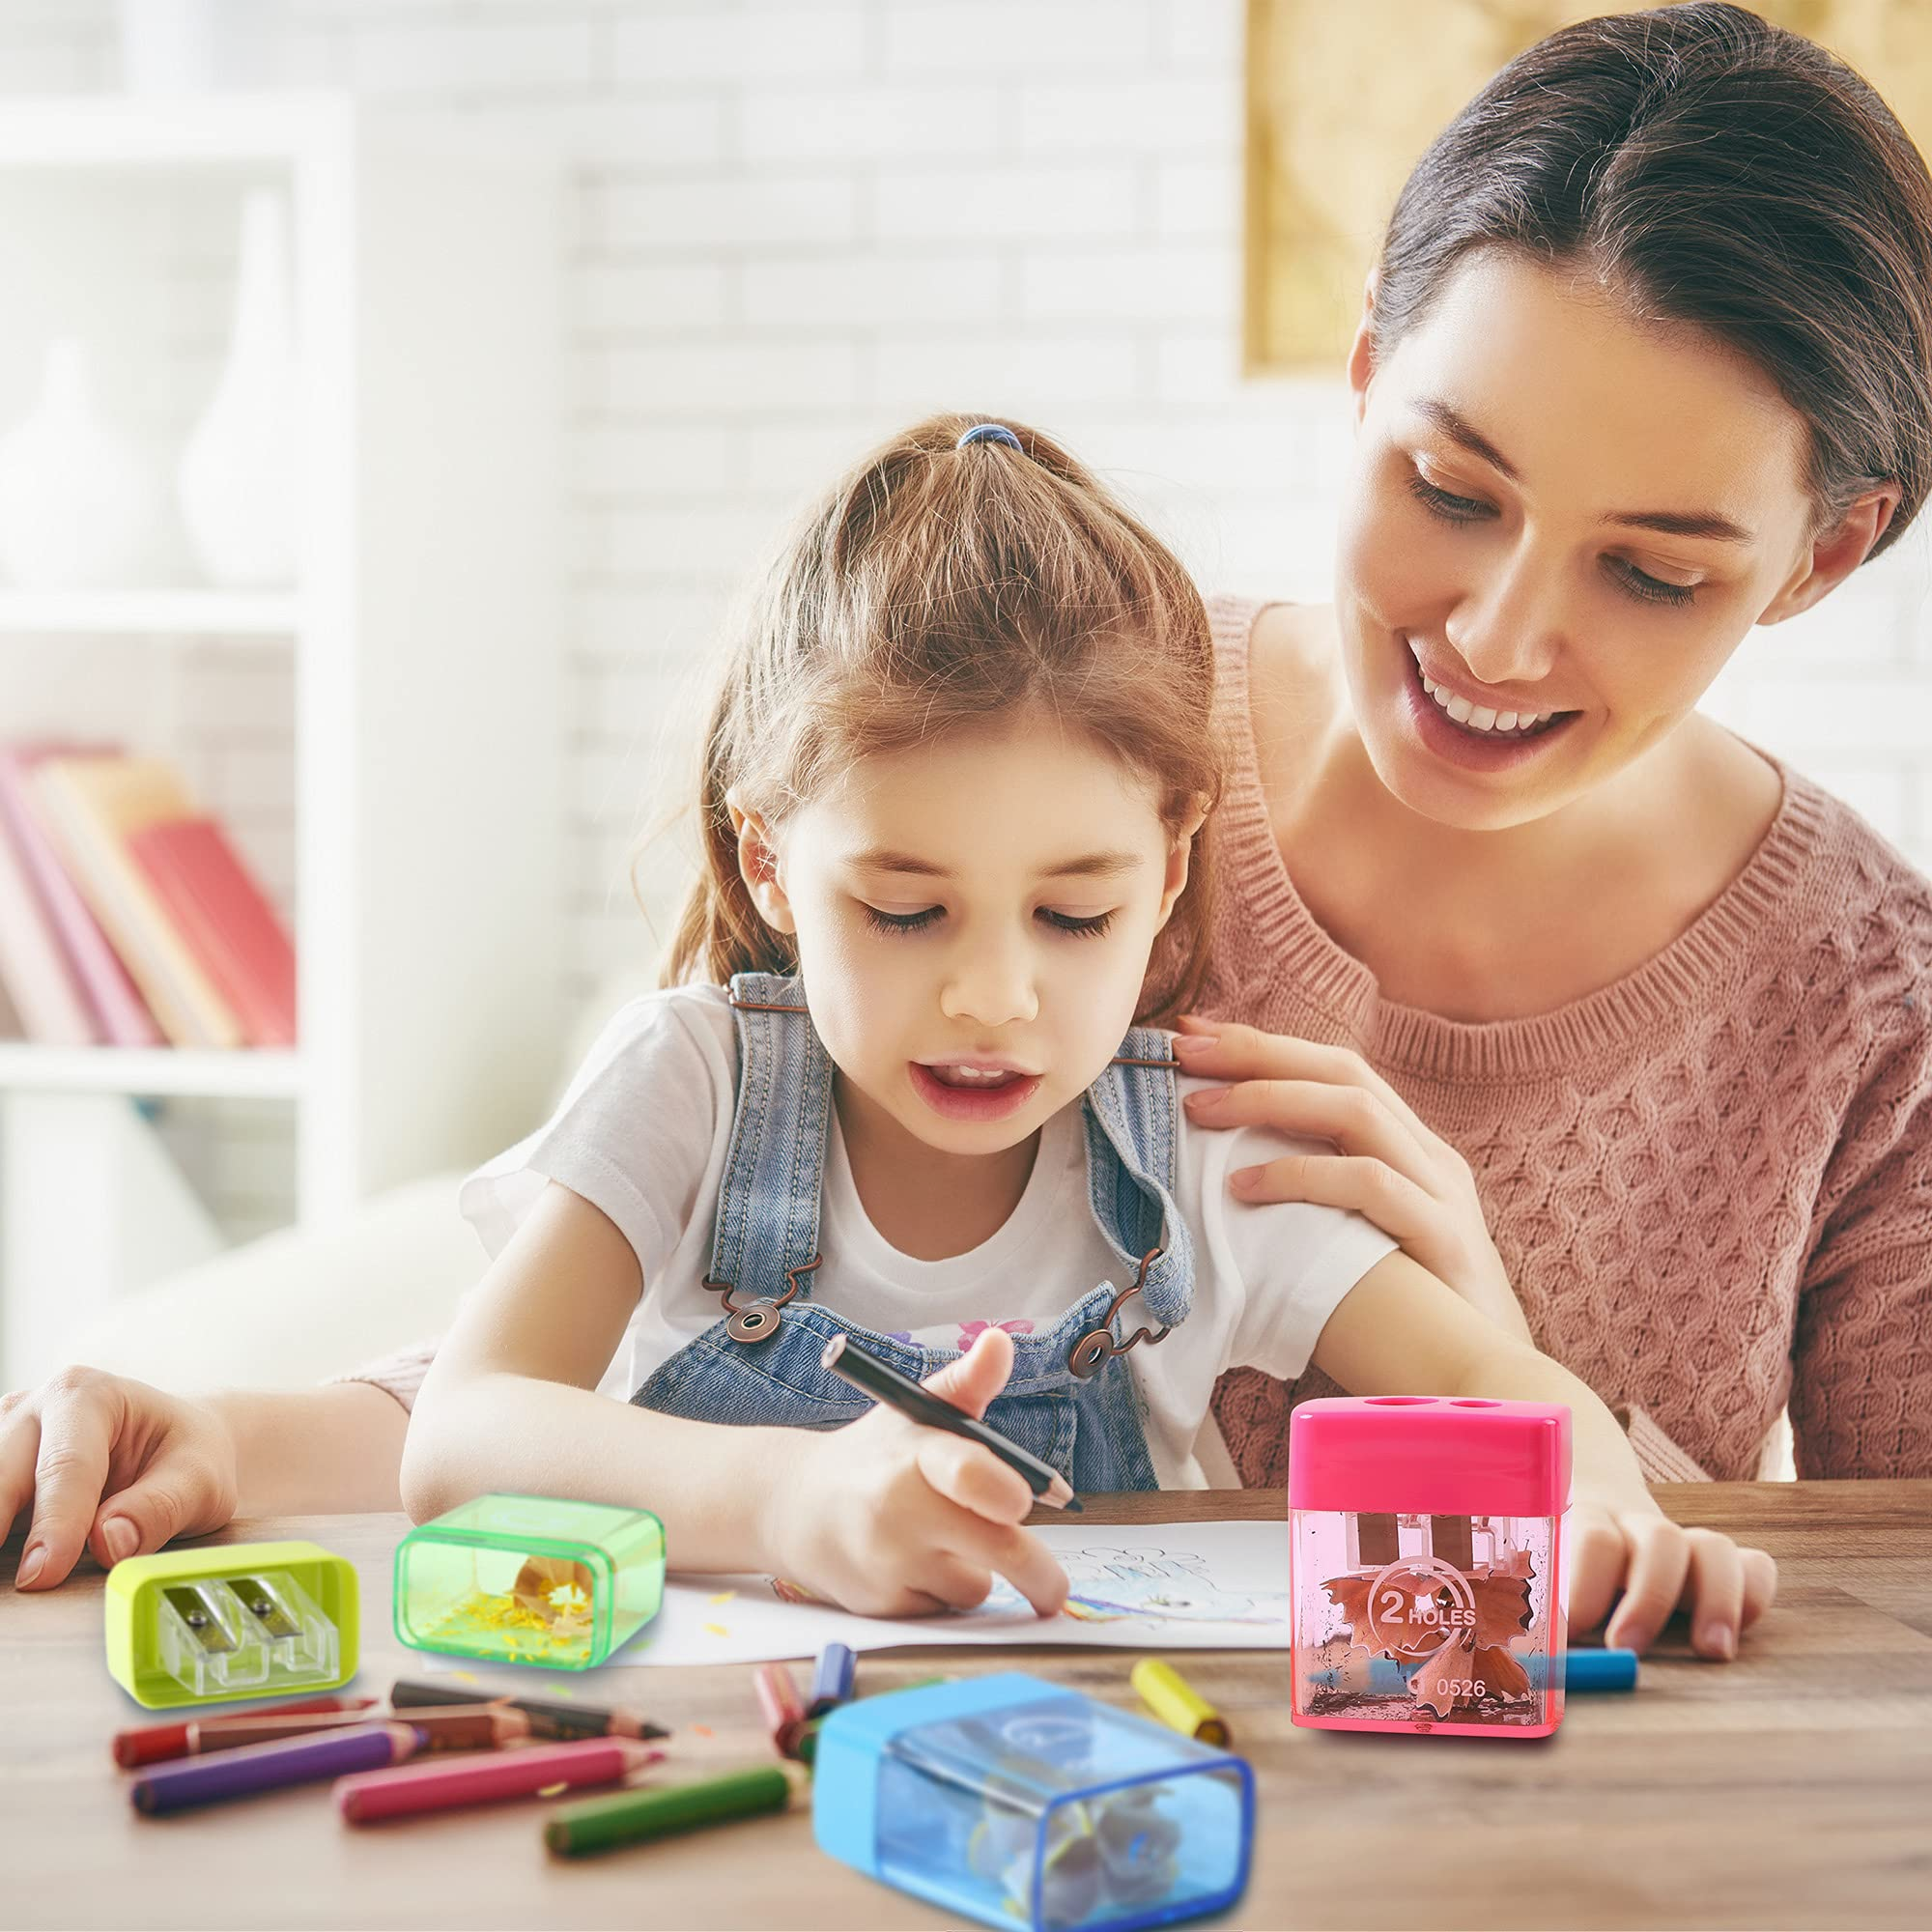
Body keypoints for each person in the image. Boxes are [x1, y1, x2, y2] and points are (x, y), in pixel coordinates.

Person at [4, 412, 1777, 1641]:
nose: (994, 992)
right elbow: (467, 1432)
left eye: (1071, 913)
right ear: (773, 867)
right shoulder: (692, 1084)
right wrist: (790, 1509)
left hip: (1106, 1765)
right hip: (710, 1770)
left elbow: (1492, 1385)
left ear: (1169, 872)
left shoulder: (1206, 1150)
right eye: (903, 911)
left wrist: (1609, 1501)